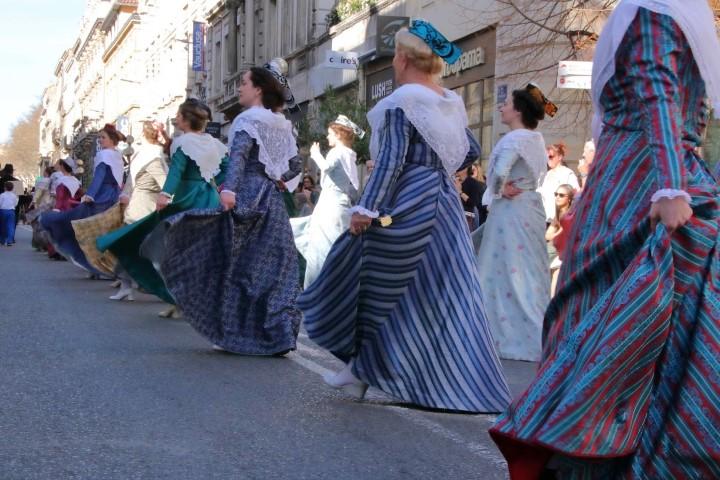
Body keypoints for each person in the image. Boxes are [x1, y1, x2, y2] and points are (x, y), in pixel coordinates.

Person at [490, 1, 720, 477]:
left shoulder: (660, 10)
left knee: (617, 323)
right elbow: (655, 91)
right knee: (632, 327)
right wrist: (671, 184)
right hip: (649, 182)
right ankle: (614, 451)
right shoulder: (659, 9)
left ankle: (617, 449)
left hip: (631, 182)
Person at [298, 21, 510, 412]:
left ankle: (359, 367)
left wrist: (366, 208)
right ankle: (371, 372)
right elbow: (470, 150)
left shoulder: (401, 102)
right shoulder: (448, 100)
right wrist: (436, 165)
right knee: (438, 293)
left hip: (408, 202)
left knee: (361, 271)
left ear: (403, 58)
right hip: (443, 203)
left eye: (395, 52)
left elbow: (390, 163)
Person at [144, 66, 303, 355]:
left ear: (258, 89)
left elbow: (238, 158)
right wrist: (276, 178)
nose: (239, 88)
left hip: (247, 194)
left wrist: (229, 191)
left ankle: (238, 330)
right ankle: (276, 333)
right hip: (272, 202)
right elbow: (295, 165)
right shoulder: (281, 124)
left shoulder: (247, 120)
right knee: (275, 264)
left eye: (243, 83)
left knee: (234, 262)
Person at [97, 100, 228, 315]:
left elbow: (176, 171)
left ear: (185, 120)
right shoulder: (215, 143)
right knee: (198, 251)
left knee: (169, 249)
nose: (175, 118)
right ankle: (185, 301)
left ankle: (179, 300)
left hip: (186, 199)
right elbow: (226, 169)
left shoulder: (182, 142)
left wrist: (165, 195)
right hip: (209, 198)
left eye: (178, 115)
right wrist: (210, 182)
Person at [475, 84, 554, 362]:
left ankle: (497, 334)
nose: (502, 106)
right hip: (530, 207)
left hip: (511, 212)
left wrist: (499, 188)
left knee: (502, 270)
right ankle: (536, 333)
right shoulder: (535, 138)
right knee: (529, 272)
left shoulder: (514, 139)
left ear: (518, 110)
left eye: (506, 103)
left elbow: (498, 173)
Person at [41, 125, 124, 274]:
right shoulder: (118, 155)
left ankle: (97, 266)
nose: (99, 140)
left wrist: (90, 194)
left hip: (102, 196)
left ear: (112, 140)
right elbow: (119, 178)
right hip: (115, 195)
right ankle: (110, 266)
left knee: (91, 231)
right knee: (111, 231)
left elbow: (99, 176)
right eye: (99, 137)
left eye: (103, 137)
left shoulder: (104, 155)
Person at [292, 115, 361, 288]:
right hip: (339, 205)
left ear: (339, 135)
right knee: (333, 244)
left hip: (330, 206)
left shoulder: (338, 151)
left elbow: (326, 167)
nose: (327, 137)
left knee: (323, 247)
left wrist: (315, 154)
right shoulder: (350, 154)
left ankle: (319, 288)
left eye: (330, 134)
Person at [537, 141, 579, 223]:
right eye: (546, 157)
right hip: (545, 220)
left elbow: (575, 195)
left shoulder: (567, 174)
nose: (548, 160)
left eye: (551, 157)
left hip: (560, 220)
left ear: (560, 157)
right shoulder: (545, 175)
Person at [545, 184, 575, 296]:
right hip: (552, 251)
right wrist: (560, 230)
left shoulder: (571, 214)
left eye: (561, 195)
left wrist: (558, 231)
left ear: (569, 199)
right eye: (556, 194)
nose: (557, 197)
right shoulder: (557, 215)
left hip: (563, 253)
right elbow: (547, 236)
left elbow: (560, 235)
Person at [455, 163, 486, 229]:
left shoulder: (473, 183)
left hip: (467, 218)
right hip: (455, 215)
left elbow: (473, 203)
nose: (456, 170)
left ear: (465, 169)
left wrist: (460, 192)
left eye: (459, 168)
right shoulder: (454, 181)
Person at [0, 182, 19, 246]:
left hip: (3, 211)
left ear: (5, 188)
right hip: (11, 211)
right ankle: (9, 240)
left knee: (2, 226)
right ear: (12, 188)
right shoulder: (14, 195)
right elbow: (15, 204)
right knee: (11, 226)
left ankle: (2, 240)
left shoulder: (2, 195)